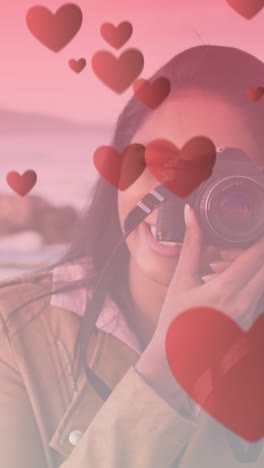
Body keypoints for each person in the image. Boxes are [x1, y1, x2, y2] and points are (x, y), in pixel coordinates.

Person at [0, 45, 264, 468]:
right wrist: (168, 367)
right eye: (158, 160)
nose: (176, 198)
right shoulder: (14, 332)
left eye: (217, 175)